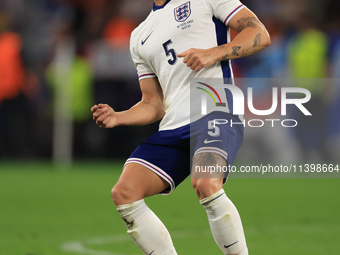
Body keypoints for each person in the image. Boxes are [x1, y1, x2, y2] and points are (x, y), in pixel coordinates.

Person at [91, 0, 270, 254]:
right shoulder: (139, 36)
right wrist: (119, 117)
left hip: (215, 110)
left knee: (206, 183)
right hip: (173, 125)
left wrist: (215, 52)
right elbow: (153, 104)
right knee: (124, 192)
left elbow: (260, 34)